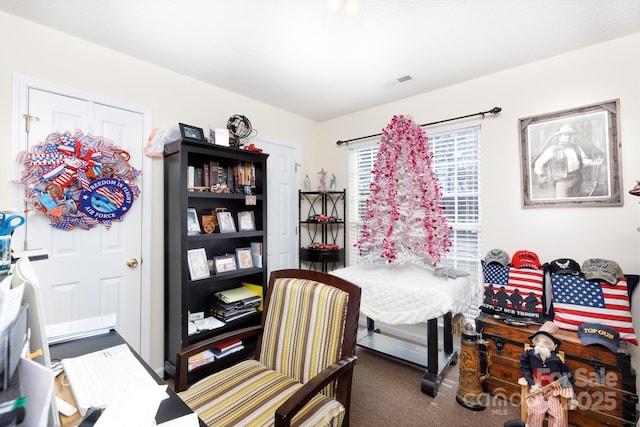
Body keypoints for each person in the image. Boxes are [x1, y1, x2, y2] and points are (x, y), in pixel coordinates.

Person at [520, 321, 577, 427]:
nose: (541, 344)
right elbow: (525, 368)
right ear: (533, 342)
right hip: (536, 388)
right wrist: (532, 384)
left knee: (558, 413)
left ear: (554, 346)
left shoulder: (557, 359)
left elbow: (567, 375)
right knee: (536, 409)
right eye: (538, 340)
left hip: (552, 390)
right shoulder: (528, 354)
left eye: (546, 342)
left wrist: (573, 396)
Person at [533, 124, 603, 198]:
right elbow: (539, 163)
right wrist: (541, 175)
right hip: (562, 182)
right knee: (563, 203)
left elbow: (583, 160)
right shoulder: (552, 150)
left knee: (577, 201)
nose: (568, 137)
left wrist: (594, 162)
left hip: (577, 179)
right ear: (559, 136)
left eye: (569, 135)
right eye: (565, 135)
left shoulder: (576, 147)